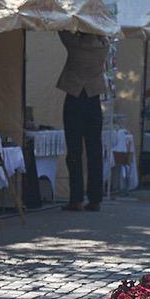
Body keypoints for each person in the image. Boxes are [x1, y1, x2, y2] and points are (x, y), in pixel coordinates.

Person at [52, 29, 108, 212]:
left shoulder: (75, 44)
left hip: (75, 95)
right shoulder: (103, 47)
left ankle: (76, 199)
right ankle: (95, 198)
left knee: (74, 150)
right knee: (94, 150)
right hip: (93, 98)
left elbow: (62, 30)